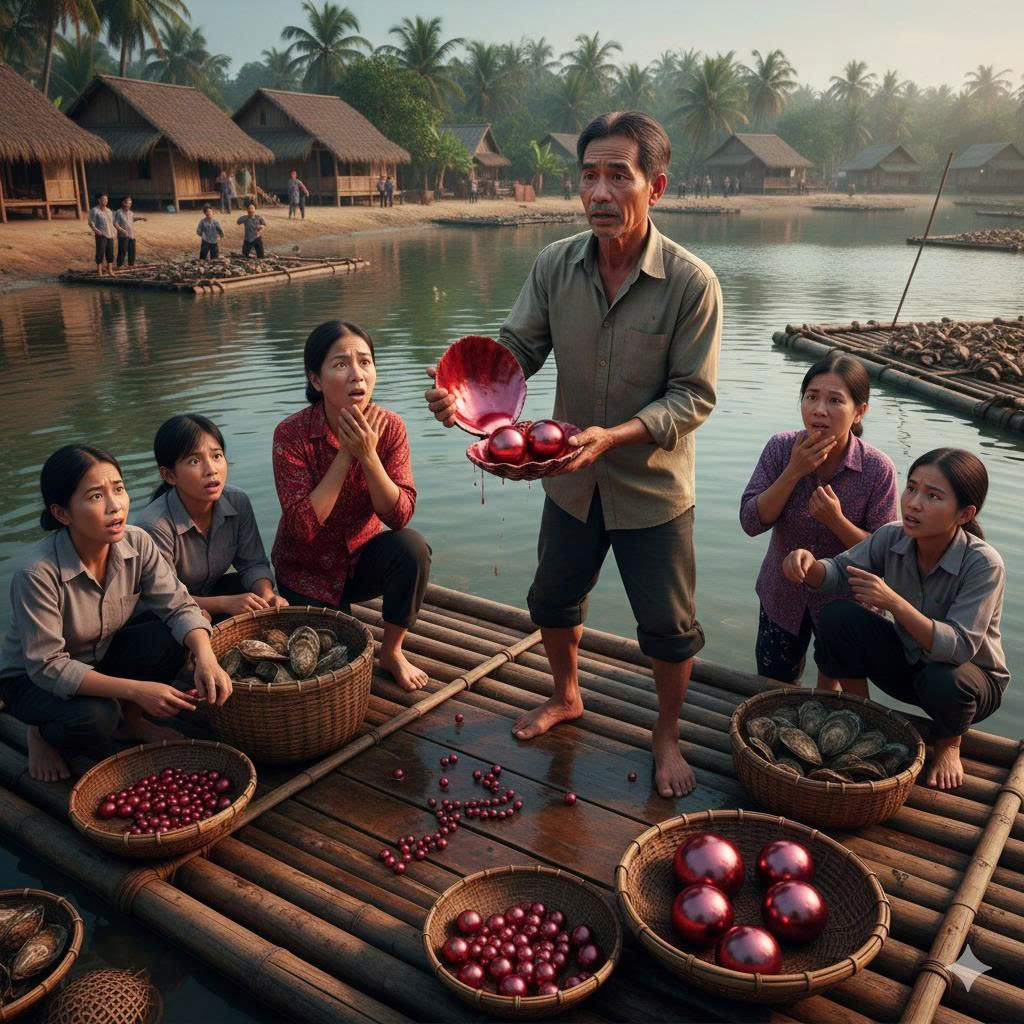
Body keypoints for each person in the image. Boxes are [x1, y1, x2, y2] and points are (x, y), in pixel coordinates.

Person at [424, 111, 722, 798]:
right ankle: (567, 695)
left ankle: (666, 734)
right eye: (589, 176)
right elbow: (515, 355)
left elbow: (692, 396)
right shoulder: (556, 264)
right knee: (553, 600)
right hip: (566, 480)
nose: (599, 192)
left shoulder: (691, 283)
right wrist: (461, 396)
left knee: (669, 629)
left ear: (657, 188)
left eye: (619, 175)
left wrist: (613, 437)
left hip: (651, 488)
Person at [0, 445, 232, 782]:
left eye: (119, 489)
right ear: (62, 513)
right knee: (97, 718)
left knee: (174, 636)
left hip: (99, 655)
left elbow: (179, 605)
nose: (115, 506)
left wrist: (205, 655)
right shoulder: (37, 573)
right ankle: (40, 733)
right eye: (95, 496)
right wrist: (136, 689)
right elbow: (48, 666)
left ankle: (132, 721)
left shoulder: (137, 543)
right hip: (32, 681)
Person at [783, 448, 1007, 791]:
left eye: (933, 496)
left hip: (968, 687)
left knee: (944, 678)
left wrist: (895, 603)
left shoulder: (983, 564)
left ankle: (949, 744)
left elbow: (960, 648)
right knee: (837, 616)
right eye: (912, 488)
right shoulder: (892, 536)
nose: (914, 503)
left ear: (965, 513)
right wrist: (806, 565)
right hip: (910, 664)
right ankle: (860, 713)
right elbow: (839, 572)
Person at [272, 320, 432, 692]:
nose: (356, 375)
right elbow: (303, 527)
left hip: (361, 561)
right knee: (337, 664)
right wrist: (345, 455)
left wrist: (369, 456)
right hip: (306, 572)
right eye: (341, 364)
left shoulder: (390, 428)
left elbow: (399, 515)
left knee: (412, 548)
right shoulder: (291, 434)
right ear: (315, 379)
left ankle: (392, 650)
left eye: (365, 362)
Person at [740, 355, 898, 682]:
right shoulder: (781, 449)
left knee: (833, 697)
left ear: (860, 411)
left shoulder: (877, 469)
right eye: (811, 396)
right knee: (773, 688)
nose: (819, 410)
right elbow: (751, 522)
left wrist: (837, 521)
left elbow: (887, 557)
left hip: (847, 607)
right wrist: (793, 471)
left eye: (835, 400)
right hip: (782, 595)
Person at [135, 414, 286, 620]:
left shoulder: (237, 501)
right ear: (170, 475)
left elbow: (253, 563)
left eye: (216, 456)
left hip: (208, 594)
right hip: (159, 617)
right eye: (194, 461)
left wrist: (266, 595)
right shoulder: (154, 526)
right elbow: (164, 598)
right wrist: (226, 603)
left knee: (251, 591)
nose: (211, 470)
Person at [113, 196, 145, 269]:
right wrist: (122, 231)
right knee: (122, 251)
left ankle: (131, 265)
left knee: (132, 251)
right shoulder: (119, 212)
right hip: (123, 236)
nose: (130, 205)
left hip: (131, 235)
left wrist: (140, 218)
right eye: (128, 203)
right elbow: (115, 224)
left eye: (131, 203)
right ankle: (119, 265)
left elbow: (132, 219)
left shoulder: (131, 212)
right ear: (123, 203)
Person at [88, 192, 115, 277]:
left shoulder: (109, 211)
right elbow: (91, 222)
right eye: (103, 199)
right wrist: (95, 230)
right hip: (101, 234)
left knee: (110, 253)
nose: (105, 201)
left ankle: (110, 270)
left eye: (106, 199)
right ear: (99, 200)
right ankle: (99, 271)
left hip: (110, 234)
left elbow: (111, 223)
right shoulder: (95, 210)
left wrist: (114, 232)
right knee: (100, 252)